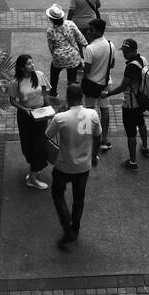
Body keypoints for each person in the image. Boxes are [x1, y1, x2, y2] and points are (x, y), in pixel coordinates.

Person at [44, 84, 101, 249]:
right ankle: (75, 228)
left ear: (68, 98)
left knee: (57, 193)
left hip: (64, 165)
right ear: (82, 97)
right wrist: (94, 155)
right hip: (84, 166)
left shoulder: (61, 118)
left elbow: (47, 136)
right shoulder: (92, 114)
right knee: (79, 198)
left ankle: (66, 224)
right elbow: (98, 136)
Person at [104, 38, 149, 170]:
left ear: (133, 51)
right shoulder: (143, 59)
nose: (124, 54)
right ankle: (145, 147)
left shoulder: (131, 67)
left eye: (127, 51)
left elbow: (123, 87)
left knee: (131, 134)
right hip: (141, 102)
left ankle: (132, 161)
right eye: (124, 51)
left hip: (130, 105)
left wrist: (108, 94)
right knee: (141, 124)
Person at [8, 54, 51, 189]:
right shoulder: (16, 83)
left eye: (32, 62)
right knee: (27, 143)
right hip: (26, 116)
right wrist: (24, 109)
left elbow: (44, 94)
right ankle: (34, 167)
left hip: (40, 114)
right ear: (22, 68)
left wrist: (49, 110)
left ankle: (33, 176)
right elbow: (13, 101)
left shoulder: (39, 75)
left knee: (39, 143)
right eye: (28, 64)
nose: (32, 65)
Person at [80, 18, 115, 162]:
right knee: (104, 109)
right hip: (106, 83)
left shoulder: (89, 49)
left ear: (98, 31)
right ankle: (104, 139)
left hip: (91, 84)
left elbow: (87, 70)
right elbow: (111, 64)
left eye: (91, 30)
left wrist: (81, 62)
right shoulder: (110, 45)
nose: (88, 32)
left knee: (89, 110)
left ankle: (88, 139)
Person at [45, 3, 88, 98]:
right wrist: (87, 47)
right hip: (73, 56)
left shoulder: (50, 31)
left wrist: (55, 56)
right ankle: (71, 97)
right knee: (72, 78)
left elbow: (51, 47)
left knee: (54, 72)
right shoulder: (70, 24)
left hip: (59, 57)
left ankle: (53, 92)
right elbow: (80, 38)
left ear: (51, 19)